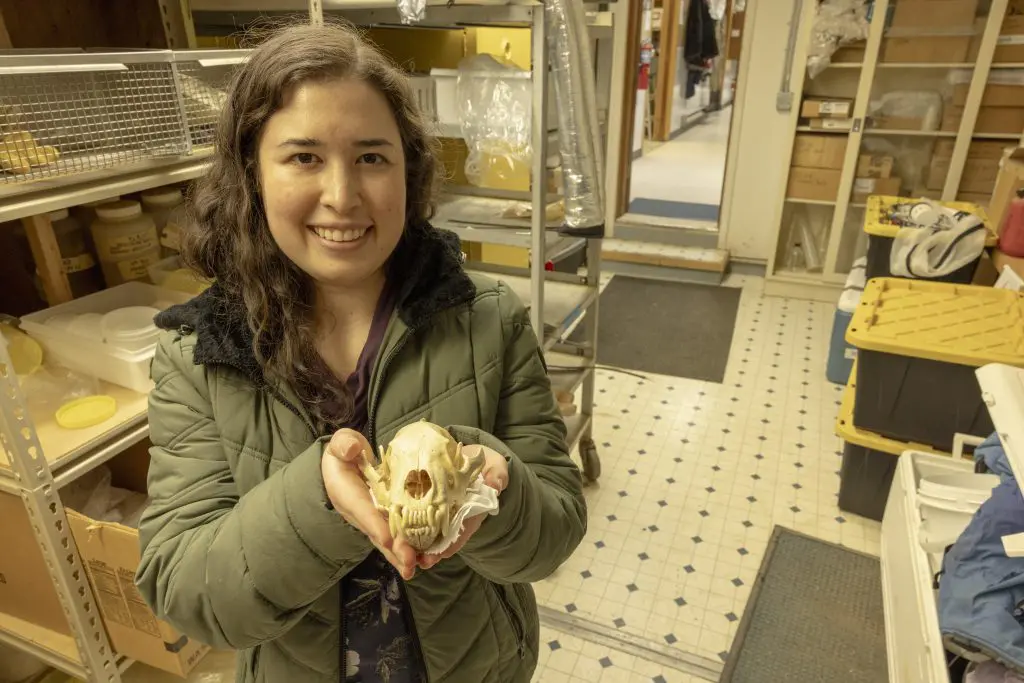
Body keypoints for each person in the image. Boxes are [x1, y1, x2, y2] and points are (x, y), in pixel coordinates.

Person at [134, 20, 587, 683]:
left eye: (372, 157)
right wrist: (317, 501)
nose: (342, 196)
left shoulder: (490, 319)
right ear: (252, 174)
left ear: (409, 169)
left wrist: (493, 486)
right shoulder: (199, 353)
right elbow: (184, 589)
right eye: (304, 157)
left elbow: (556, 530)